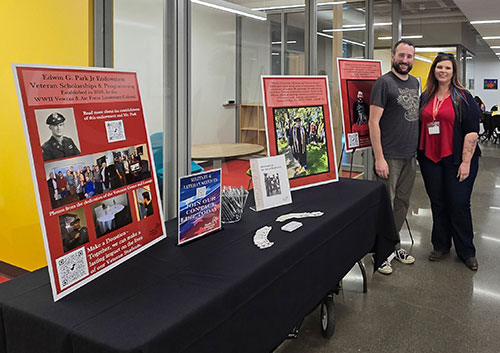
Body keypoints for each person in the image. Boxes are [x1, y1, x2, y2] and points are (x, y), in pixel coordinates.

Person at [418, 53, 481, 271]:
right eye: (439, 67)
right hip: (431, 158)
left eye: (447, 68)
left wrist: (465, 163)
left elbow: (472, 132)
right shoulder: (425, 96)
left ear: (453, 72)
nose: (442, 71)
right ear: (433, 70)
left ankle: (466, 251)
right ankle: (441, 245)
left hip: (458, 159)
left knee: (459, 203)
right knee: (438, 203)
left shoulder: (463, 97)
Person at [368, 40, 420, 275]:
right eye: (401, 55)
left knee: (402, 204)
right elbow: (373, 122)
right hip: (389, 156)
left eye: (409, 56)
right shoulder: (383, 83)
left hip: (410, 155)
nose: (405, 60)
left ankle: (394, 246)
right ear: (392, 56)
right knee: (385, 207)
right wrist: (379, 158)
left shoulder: (415, 82)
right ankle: (380, 254)